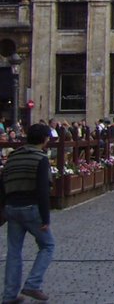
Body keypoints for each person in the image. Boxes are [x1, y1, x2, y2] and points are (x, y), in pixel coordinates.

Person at [0, 122, 56, 304]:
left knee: (14, 252)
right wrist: (45, 217)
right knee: (47, 245)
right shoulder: (40, 158)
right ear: (45, 139)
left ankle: (9, 295)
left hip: (11, 207)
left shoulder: (13, 156)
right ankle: (33, 283)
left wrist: (3, 209)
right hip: (31, 207)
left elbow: (3, 183)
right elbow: (42, 189)